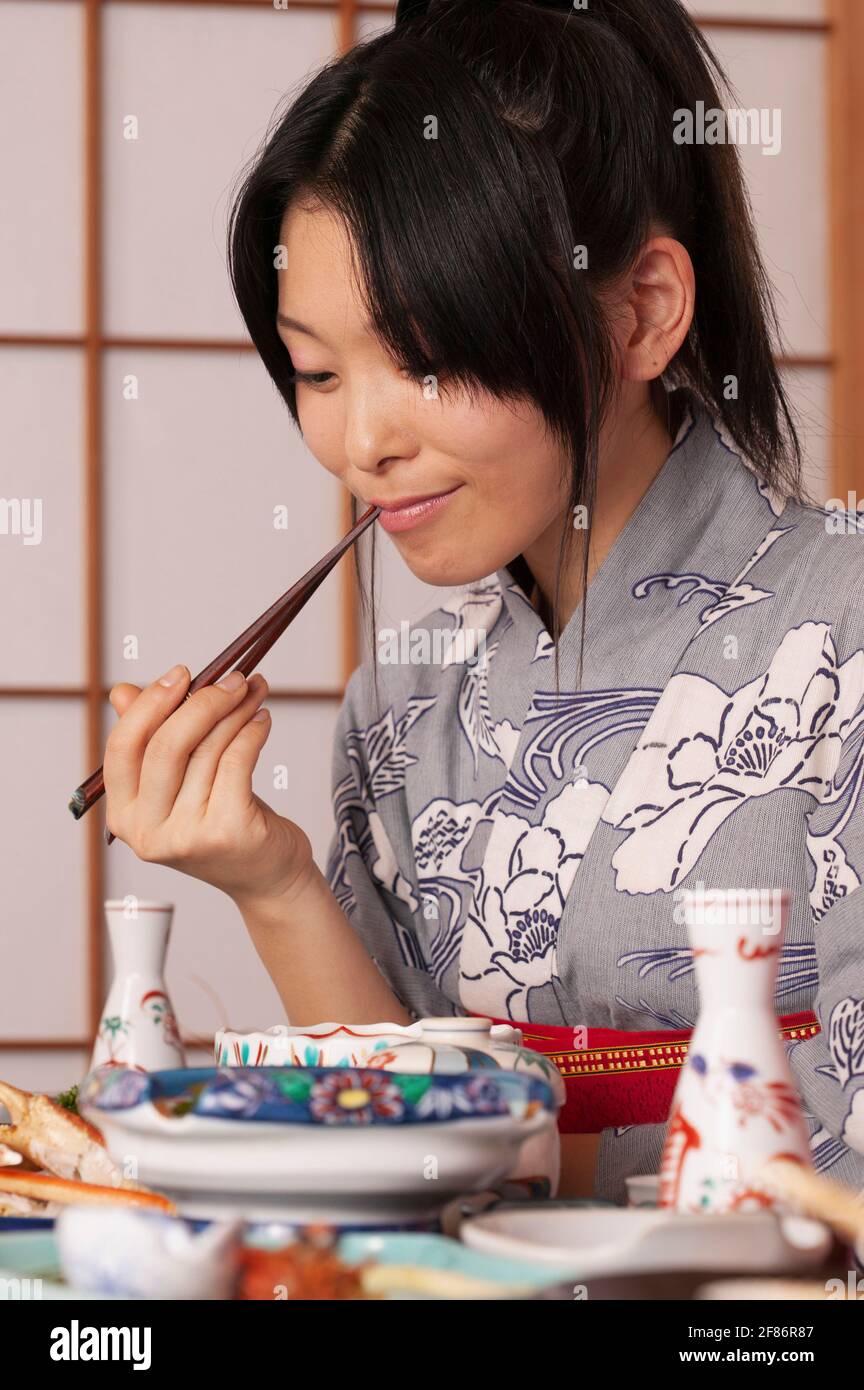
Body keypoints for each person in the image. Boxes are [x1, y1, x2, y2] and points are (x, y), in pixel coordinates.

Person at [103, 0, 864, 1203]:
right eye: (316, 370)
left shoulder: (848, 628)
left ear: (644, 312)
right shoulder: (401, 702)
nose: (360, 439)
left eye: (429, 358)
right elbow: (400, 1185)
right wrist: (275, 882)